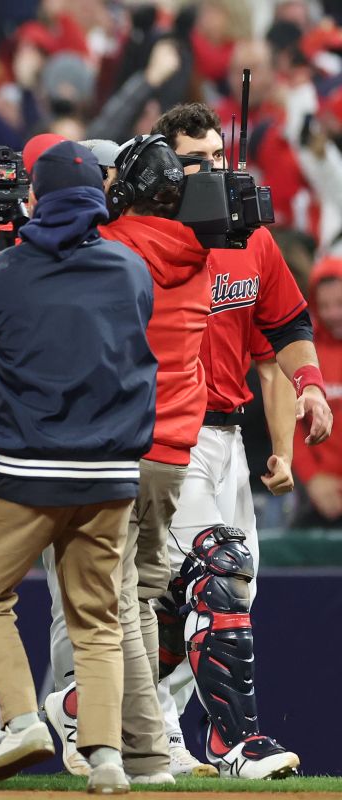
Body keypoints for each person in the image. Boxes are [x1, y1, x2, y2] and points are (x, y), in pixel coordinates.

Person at [0, 140, 157, 794]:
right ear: (98, 196)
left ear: (35, 197)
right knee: (99, 620)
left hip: (26, 473)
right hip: (110, 476)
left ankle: (22, 721)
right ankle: (108, 759)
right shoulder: (130, 268)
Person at [152, 102, 332, 780]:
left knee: (219, 594)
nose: (207, 173)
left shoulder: (250, 237)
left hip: (228, 438)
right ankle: (235, 743)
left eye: (214, 160)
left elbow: (285, 327)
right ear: (167, 166)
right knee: (217, 576)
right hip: (168, 435)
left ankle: (113, 712)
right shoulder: (147, 234)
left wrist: (310, 385)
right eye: (192, 161)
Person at [42, 134, 210, 784]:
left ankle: (131, 746)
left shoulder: (109, 247)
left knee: (110, 606)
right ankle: (150, 752)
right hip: (174, 454)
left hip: (116, 444)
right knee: (138, 597)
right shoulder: (206, 252)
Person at [292, 257, 342, 524]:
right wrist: (312, 478)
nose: (333, 313)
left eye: (340, 304)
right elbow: (289, 422)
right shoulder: (305, 353)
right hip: (318, 496)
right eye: (324, 306)